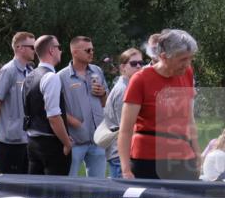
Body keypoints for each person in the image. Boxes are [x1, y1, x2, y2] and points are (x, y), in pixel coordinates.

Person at [118, 29, 200, 180]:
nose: (187, 64)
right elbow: (125, 129)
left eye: (190, 58)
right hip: (147, 160)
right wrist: (125, 170)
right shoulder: (140, 79)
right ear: (163, 57)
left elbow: (189, 119)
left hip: (183, 157)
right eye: (182, 59)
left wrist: (197, 154)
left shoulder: (187, 73)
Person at [24, 35, 74, 175]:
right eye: (59, 47)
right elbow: (53, 116)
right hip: (51, 144)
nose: (61, 51)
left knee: (35, 187)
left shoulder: (29, 77)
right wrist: (66, 142)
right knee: (56, 188)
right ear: (52, 50)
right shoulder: (51, 77)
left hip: (32, 141)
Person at [59, 36, 108, 177]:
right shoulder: (61, 77)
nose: (91, 53)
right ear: (75, 52)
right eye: (88, 50)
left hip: (98, 140)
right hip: (75, 141)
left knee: (98, 185)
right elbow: (55, 109)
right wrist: (73, 121)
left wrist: (103, 93)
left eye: (92, 49)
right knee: (69, 184)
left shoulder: (97, 71)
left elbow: (106, 103)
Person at [0, 31, 36, 174]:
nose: (35, 50)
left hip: (27, 140)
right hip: (9, 142)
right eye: (32, 47)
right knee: (9, 185)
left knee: (27, 184)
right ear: (19, 48)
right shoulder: (7, 71)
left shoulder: (30, 71)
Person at [103, 48, 145, 178]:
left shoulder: (129, 86)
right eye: (133, 63)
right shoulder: (124, 90)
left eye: (141, 63)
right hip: (121, 157)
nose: (138, 66)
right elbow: (126, 128)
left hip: (123, 154)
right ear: (123, 67)